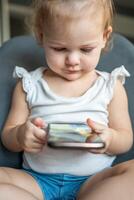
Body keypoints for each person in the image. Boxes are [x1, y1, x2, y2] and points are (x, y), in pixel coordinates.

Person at [0, 0, 134, 200]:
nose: (72, 60)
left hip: (94, 182)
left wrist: (109, 138)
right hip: (36, 181)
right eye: (60, 49)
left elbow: (126, 139)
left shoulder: (110, 86)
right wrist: (21, 135)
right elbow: (8, 137)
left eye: (86, 49)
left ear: (105, 37)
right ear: (41, 36)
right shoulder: (29, 85)